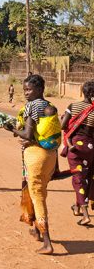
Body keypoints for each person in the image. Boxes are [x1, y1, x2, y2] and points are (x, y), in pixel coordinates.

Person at [2, 75, 57, 255]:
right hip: (50, 155)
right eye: (24, 89)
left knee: (37, 195)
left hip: (36, 156)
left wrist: (11, 129)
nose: (26, 93)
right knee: (40, 192)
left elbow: (27, 134)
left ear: (40, 89)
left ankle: (47, 241)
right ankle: (36, 229)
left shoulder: (32, 106)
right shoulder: (48, 106)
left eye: (29, 90)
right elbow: (43, 133)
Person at [61, 80, 94, 226]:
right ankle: (77, 207)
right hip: (90, 147)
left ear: (83, 92)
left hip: (75, 147)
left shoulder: (73, 106)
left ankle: (86, 215)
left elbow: (63, 125)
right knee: (85, 176)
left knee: (78, 178)